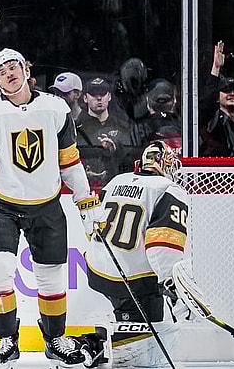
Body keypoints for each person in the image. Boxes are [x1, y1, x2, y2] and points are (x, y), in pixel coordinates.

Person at [0, 48, 104, 367]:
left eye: (13, 67)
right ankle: (7, 339)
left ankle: (55, 339)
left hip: (47, 204)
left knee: (51, 276)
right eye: (1, 72)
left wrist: (86, 201)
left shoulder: (55, 107)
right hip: (1, 205)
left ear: (26, 68)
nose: (8, 73)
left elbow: (70, 160)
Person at [71, 140, 188, 368]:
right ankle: (98, 345)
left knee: (142, 320)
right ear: (163, 164)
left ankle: (97, 345)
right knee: (160, 341)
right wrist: (172, 284)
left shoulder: (116, 181)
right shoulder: (169, 189)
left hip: (97, 269)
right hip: (135, 280)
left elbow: (94, 226)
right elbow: (162, 245)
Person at [77, 76, 133, 185]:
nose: (99, 98)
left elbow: (131, 159)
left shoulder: (123, 126)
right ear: (85, 98)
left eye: (102, 94)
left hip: (117, 185)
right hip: (85, 186)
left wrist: (116, 149)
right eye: (93, 94)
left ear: (109, 97)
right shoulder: (76, 128)